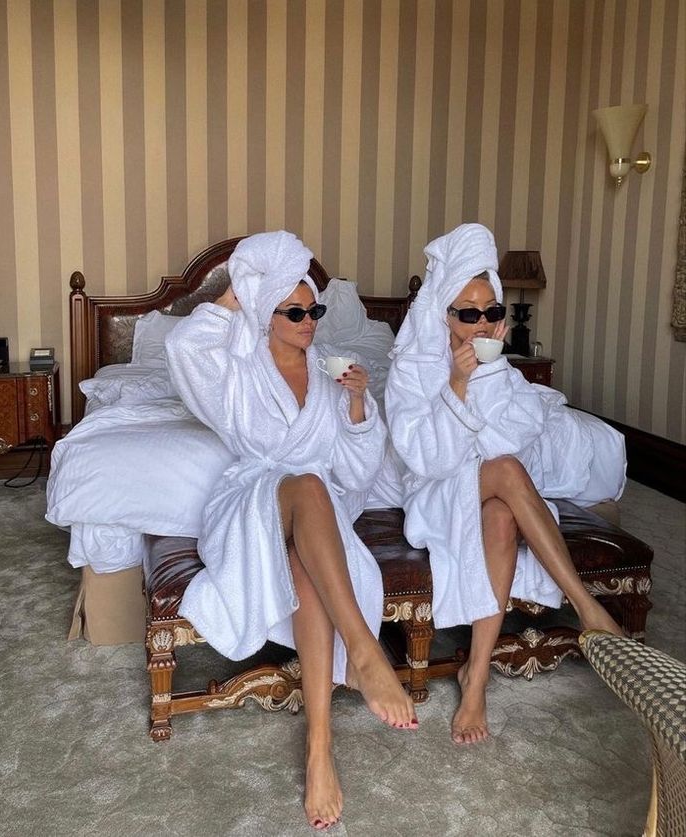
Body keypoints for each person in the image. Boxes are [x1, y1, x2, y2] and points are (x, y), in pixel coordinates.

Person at [165, 231, 417, 830]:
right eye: (295, 311)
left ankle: (320, 749)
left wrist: (357, 408)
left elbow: (355, 473)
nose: (309, 322)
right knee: (304, 484)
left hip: (314, 519)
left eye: (315, 310)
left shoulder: (333, 376)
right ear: (266, 314)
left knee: (310, 541)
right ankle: (364, 648)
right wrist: (244, 290)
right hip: (251, 501)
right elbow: (182, 346)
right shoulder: (236, 371)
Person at [384, 223, 625, 746]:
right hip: (434, 496)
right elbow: (425, 456)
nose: (481, 322)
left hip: (488, 490)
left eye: (491, 311)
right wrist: (456, 385)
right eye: (467, 312)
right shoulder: (411, 369)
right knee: (510, 475)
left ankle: (477, 680)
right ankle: (586, 606)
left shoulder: (500, 367)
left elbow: (525, 428)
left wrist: (489, 375)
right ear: (442, 313)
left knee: (501, 513)